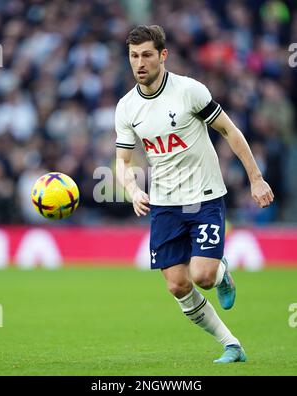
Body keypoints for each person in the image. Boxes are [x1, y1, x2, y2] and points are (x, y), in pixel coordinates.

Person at [115, 25, 274, 363]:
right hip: (164, 205)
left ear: (162, 55)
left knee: (202, 276)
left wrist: (255, 178)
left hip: (203, 196)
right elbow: (123, 160)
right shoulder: (127, 108)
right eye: (133, 56)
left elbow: (229, 131)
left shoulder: (189, 91)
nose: (139, 63)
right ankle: (231, 345)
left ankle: (219, 271)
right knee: (177, 285)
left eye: (146, 55)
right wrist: (131, 188)